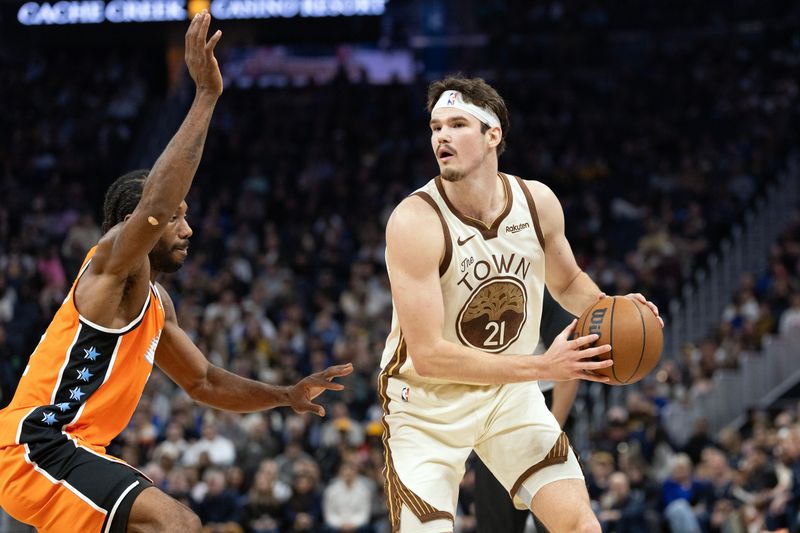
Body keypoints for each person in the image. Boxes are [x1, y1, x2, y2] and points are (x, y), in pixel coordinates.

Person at [0, 12, 351, 533]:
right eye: (179, 218)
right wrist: (206, 96)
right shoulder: (109, 265)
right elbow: (155, 208)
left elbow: (205, 381)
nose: (187, 230)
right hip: (38, 444)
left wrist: (284, 395)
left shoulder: (156, 305)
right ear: (132, 223)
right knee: (178, 524)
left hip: (75, 450)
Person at [380, 75, 662, 532]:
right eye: (435, 128)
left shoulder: (537, 202)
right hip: (426, 405)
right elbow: (429, 356)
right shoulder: (414, 221)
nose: (441, 137)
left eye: (456, 125)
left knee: (580, 525)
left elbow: (568, 280)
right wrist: (543, 368)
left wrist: (612, 307)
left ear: (493, 135)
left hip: (508, 395)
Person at [473, 288, 577, 533]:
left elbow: (570, 367)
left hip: (542, 409)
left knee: (558, 523)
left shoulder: (539, 290)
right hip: (494, 417)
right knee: (494, 524)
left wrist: (553, 430)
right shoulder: (465, 293)